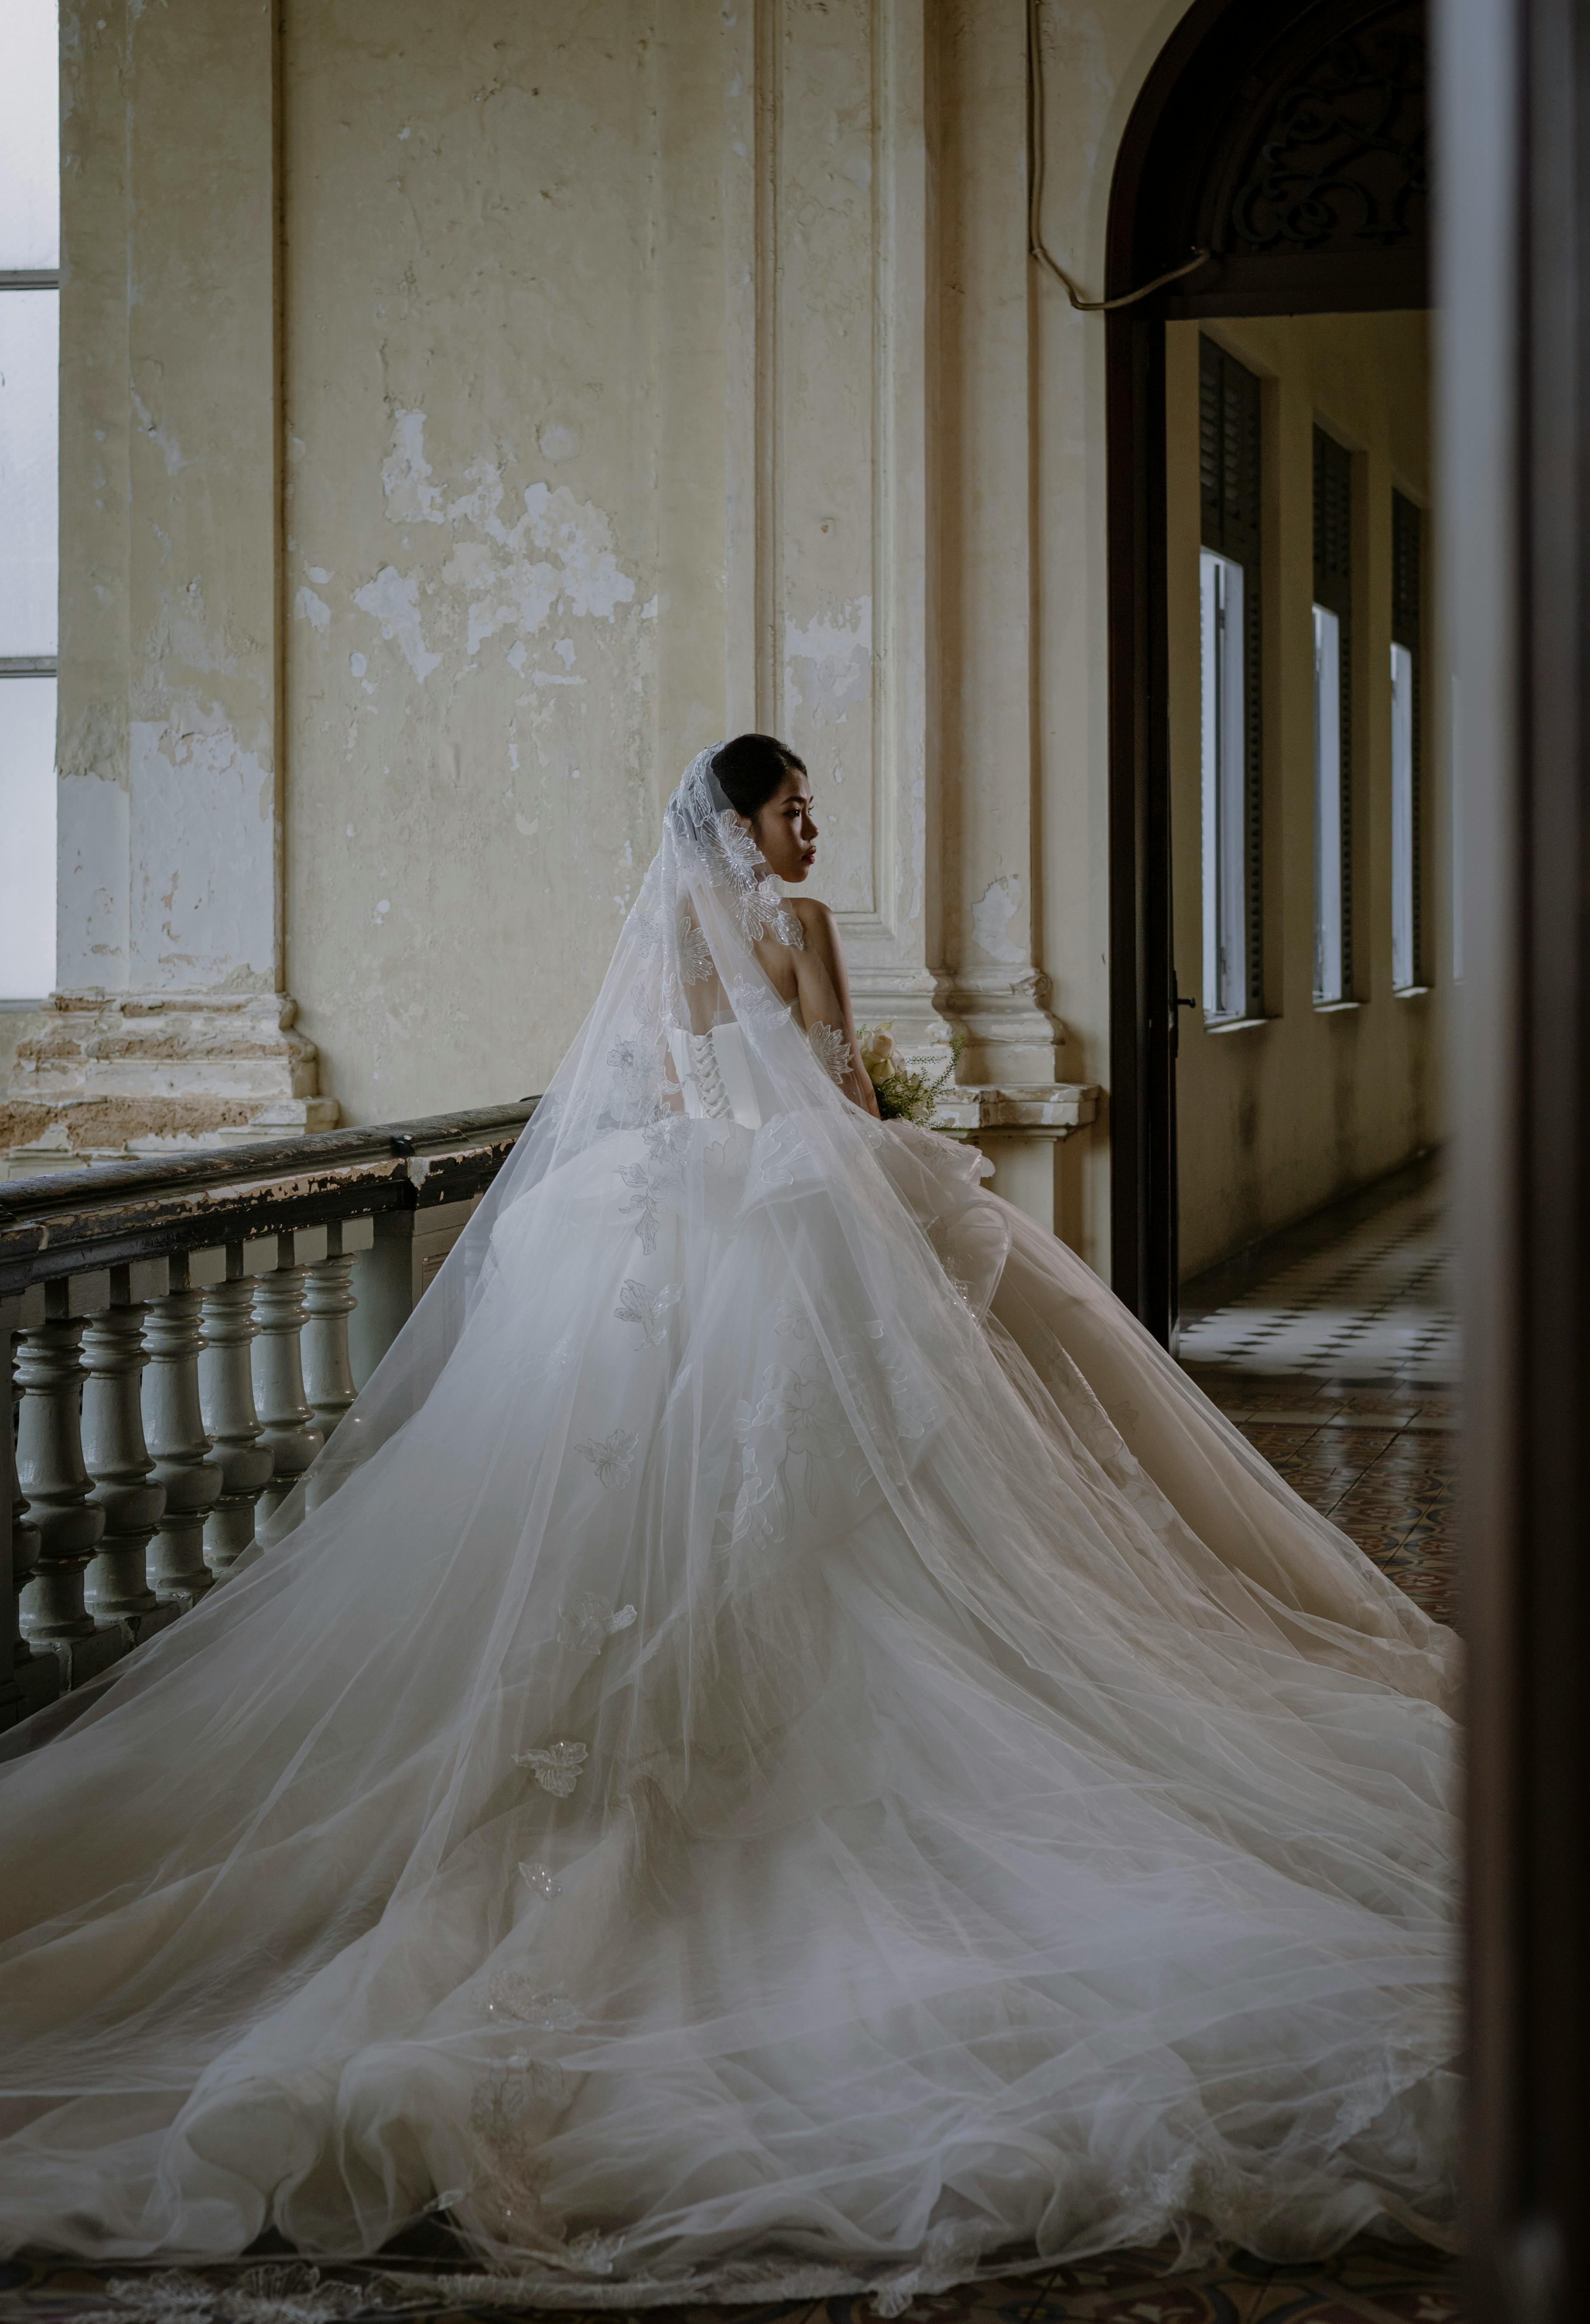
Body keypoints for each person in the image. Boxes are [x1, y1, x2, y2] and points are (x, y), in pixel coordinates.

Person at [0, 737, 1458, 2302]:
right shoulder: (803, 929)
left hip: (675, 1215)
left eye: (811, 807)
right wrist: (865, 1114)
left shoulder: (676, 926)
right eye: (793, 809)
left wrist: (772, 1115)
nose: (811, 829)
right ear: (746, 825)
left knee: (692, 1513)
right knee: (852, 1499)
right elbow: (830, 1087)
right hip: (784, 1216)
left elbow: (648, 1078)